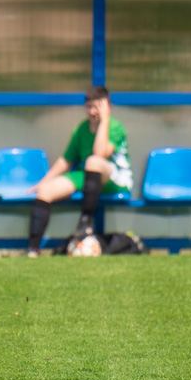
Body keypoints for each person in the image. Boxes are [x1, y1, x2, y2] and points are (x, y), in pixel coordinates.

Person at [25, 86, 132, 258]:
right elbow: (66, 160)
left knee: (93, 160)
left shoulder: (115, 127)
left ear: (108, 107)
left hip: (115, 179)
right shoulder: (81, 129)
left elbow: (100, 153)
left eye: (97, 106)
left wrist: (104, 121)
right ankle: (33, 249)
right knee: (45, 192)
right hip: (88, 176)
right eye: (89, 106)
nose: (92, 111)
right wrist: (43, 182)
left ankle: (85, 222)